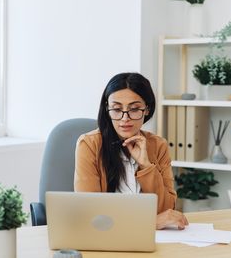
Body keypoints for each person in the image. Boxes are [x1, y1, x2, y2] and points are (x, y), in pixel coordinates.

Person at [74, 72, 188, 230]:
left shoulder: (158, 145)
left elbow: (166, 211)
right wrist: (150, 222)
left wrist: (146, 166)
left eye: (134, 109)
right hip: (105, 237)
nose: (124, 118)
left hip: (154, 239)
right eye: (116, 109)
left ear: (146, 109)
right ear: (107, 109)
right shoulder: (89, 144)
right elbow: (90, 214)